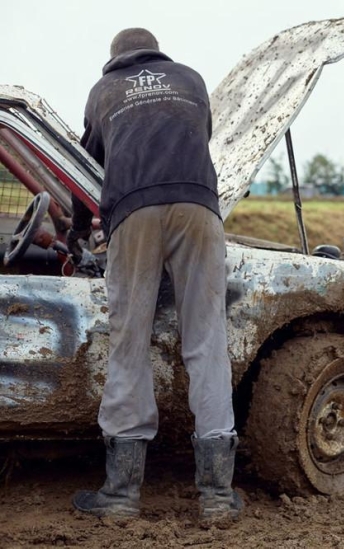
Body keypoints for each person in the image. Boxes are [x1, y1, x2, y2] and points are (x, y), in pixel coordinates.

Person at [68, 28, 242, 520]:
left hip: (132, 213)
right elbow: (196, 142)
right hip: (199, 208)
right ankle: (217, 497)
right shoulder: (191, 79)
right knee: (207, 339)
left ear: (114, 58)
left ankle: (121, 495)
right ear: (156, 50)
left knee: (129, 340)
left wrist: (77, 234)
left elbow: (88, 169)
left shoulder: (103, 92)